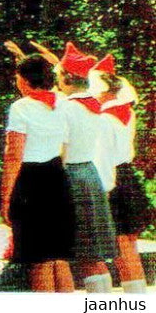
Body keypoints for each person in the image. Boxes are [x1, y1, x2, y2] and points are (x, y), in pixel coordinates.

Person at [32, 40, 118, 293]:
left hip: (70, 175)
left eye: (59, 75)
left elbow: (60, 148)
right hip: (90, 172)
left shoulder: (66, 108)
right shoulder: (94, 105)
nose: (56, 80)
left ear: (67, 78)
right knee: (95, 255)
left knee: (83, 254)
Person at [0, 49, 75, 292]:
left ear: (24, 80)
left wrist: (6, 197)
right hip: (57, 176)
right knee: (59, 258)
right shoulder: (63, 102)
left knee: (38, 259)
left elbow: (14, 154)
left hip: (30, 181)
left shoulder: (20, 107)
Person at [92, 54, 152, 295]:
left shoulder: (104, 119)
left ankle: (134, 301)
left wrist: (103, 191)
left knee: (121, 247)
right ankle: (139, 298)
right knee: (129, 246)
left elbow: (104, 158)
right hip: (129, 177)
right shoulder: (127, 111)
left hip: (114, 180)